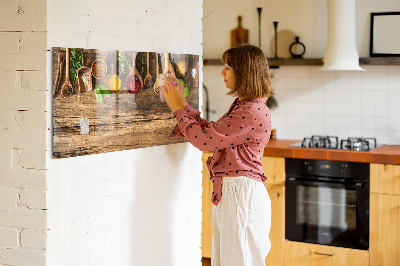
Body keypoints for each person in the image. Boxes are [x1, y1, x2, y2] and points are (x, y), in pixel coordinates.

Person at [161, 44, 273, 266]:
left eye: (228, 67)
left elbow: (204, 141)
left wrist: (176, 108)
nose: (222, 72)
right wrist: (182, 103)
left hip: (241, 196)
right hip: (236, 194)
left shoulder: (250, 111)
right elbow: (212, 133)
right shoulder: (246, 106)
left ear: (244, 72)